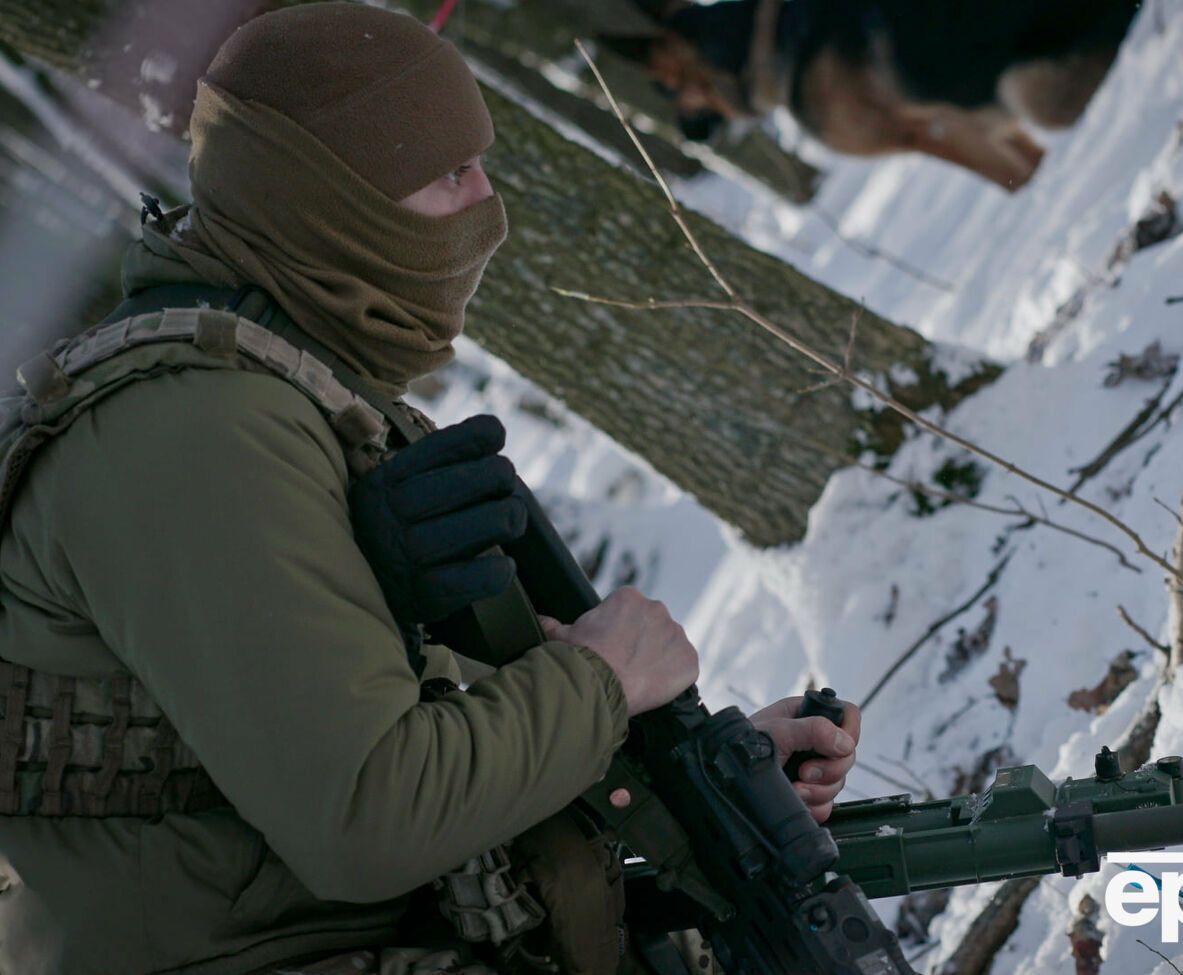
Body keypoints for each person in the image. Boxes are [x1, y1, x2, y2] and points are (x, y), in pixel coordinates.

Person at [0, 4, 860, 974]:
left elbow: (387, 725)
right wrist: (600, 684)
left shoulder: (298, 395)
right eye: (449, 173)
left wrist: (701, 775)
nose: (486, 205)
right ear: (328, 202)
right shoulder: (193, 434)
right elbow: (366, 815)